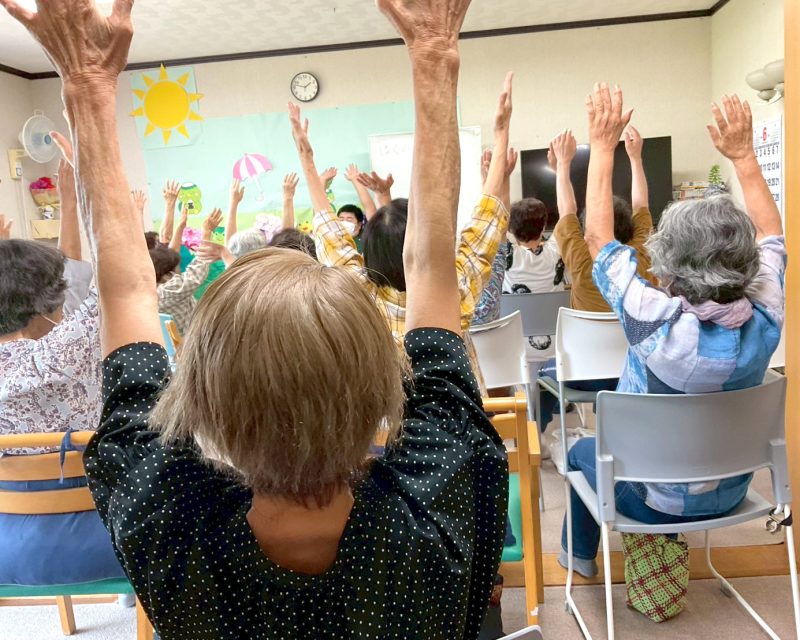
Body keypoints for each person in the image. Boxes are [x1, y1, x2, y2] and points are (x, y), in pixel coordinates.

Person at [2, 2, 508, 640]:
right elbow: (433, 270)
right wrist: (434, 53)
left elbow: (129, 293)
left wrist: (86, 84)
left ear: (199, 409)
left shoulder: (165, 522)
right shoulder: (444, 496)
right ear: (386, 388)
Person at [560, 84, 785, 578]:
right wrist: (745, 157)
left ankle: (577, 560)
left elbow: (598, 239)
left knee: (576, 452)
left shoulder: (655, 323)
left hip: (651, 500)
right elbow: (773, 236)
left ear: (669, 269)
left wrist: (600, 147)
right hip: (734, 493)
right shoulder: (767, 316)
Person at [307, 77, 515, 393]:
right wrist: (501, 138)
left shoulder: (362, 295)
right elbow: (487, 221)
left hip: (384, 429)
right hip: (457, 428)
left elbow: (328, 233)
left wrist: (307, 162)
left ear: (369, 251)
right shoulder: (454, 289)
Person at [0, 151, 124, 588]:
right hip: (106, 532)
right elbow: (116, 269)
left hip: (10, 544)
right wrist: (89, 184)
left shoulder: (55, 346)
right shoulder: (66, 350)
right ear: (46, 303)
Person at [535, 126, 655, 433]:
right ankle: (615, 425)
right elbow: (642, 205)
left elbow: (566, 212)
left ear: (589, 230)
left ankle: (539, 437)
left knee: (543, 374)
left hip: (583, 374)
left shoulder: (581, 259)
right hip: (636, 370)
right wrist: (635, 158)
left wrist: (563, 166)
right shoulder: (641, 254)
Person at [152, 208, 226, 333]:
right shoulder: (169, 291)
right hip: (190, 340)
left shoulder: (155, 289)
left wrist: (181, 225)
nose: (179, 267)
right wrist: (207, 233)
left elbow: (170, 252)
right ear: (168, 273)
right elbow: (197, 272)